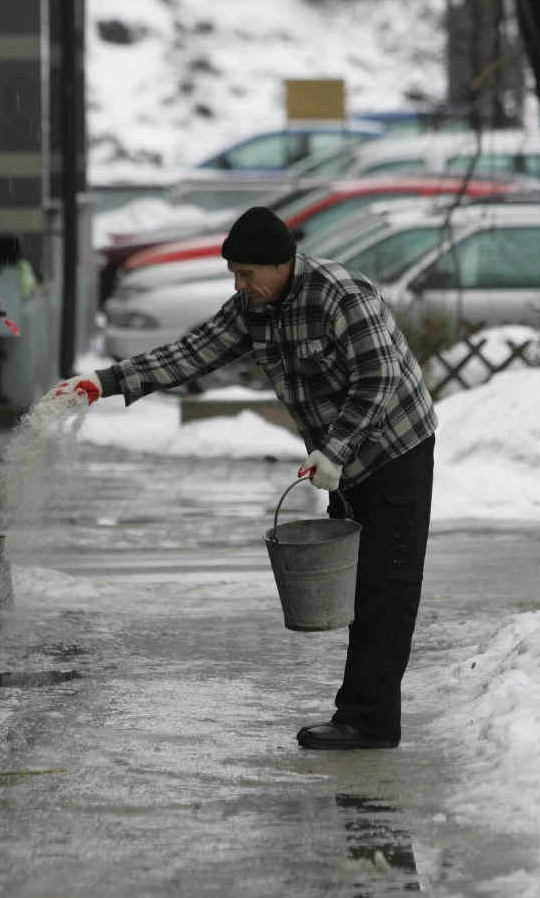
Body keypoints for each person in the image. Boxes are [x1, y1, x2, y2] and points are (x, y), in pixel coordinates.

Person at [58, 206, 437, 750]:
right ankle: (365, 714)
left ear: (281, 264)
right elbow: (192, 352)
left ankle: (368, 723)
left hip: (396, 446)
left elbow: (379, 377)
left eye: (246, 274)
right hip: (344, 458)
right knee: (359, 587)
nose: (239, 285)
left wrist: (334, 449)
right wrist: (105, 382)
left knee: (386, 585)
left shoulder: (341, 294)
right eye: (233, 274)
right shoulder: (253, 307)